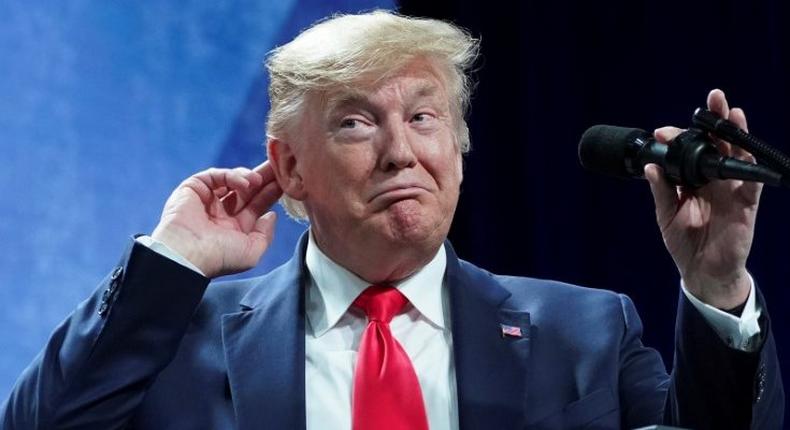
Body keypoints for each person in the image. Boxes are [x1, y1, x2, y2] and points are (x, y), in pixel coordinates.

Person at [1, 10, 783, 430]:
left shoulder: (586, 331)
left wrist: (717, 285)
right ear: (290, 166)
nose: (400, 153)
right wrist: (172, 258)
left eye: (424, 116)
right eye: (354, 123)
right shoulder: (176, 339)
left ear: (462, 152)